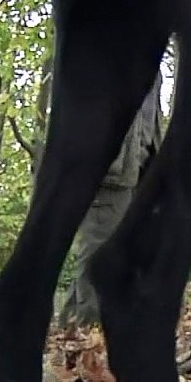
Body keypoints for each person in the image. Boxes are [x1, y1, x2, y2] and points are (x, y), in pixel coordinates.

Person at [58, 72, 162, 328]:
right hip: (108, 168)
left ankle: (73, 324)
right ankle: (90, 326)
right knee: (100, 245)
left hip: (137, 166)